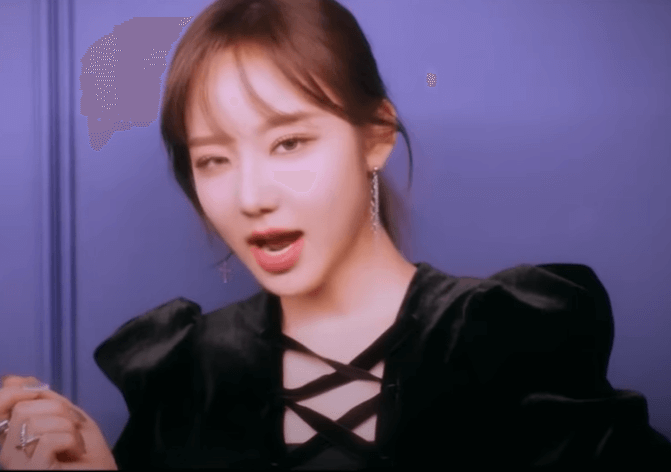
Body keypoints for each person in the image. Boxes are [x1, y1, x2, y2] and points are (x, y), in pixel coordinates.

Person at [1, 0, 671, 469]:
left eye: (289, 142)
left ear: (375, 136)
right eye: (213, 160)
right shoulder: (186, 375)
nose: (251, 196)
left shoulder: (510, 340)